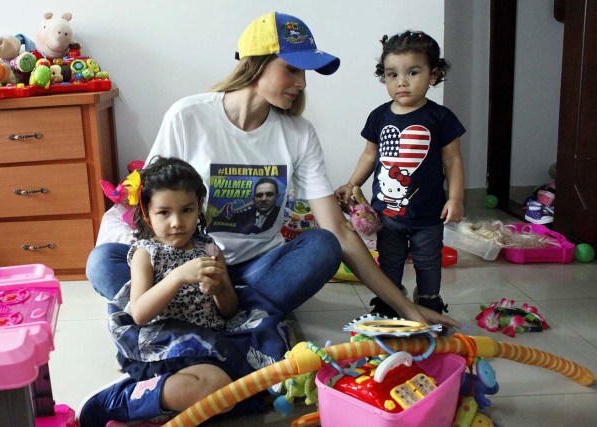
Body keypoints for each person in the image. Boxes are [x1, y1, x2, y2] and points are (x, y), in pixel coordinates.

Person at [84, 14, 460, 417]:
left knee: (322, 246)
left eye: (306, 72)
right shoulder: (189, 116)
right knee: (104, 261)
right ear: (256, 62)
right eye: (293, 69)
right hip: (186, 269)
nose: (301, 83)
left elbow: (339, 230)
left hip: (252, 273)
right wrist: (171, 272)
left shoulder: (298, 134)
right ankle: (231, 329)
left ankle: (207, 328)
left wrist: (406, 308)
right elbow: (152, 201)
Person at [80, 157, 289, 426]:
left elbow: (229, 310)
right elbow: (140, 313)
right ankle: (122, 399)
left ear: (199, 207)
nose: (177, 222)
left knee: (236, 387)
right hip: (164, 347)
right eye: (164, 213)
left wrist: (220, 287)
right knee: (221, 390)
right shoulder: (146, 253)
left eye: (187, 210)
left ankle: (160, 402)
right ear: (147, 212)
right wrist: (178, 277)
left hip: (209, 345)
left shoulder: (209, 248)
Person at [335, 30, 466, 316]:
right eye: (392, 74)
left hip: (428, 214)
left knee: (428, 260)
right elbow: (370, 155)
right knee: (390, 260)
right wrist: (352, 183)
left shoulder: (441, 118)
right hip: (387, 214)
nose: (402, 82)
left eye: (413, 72)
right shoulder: (380, 116)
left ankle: (430, 299)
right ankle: (390, 301)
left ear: (433, 75)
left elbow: (453, 160)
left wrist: (455, 198)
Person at [210, 177, 281, 234]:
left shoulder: (282, 217)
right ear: (254, 199)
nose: (263, 199)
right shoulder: (239, 216)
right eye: (259, 195)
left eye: (269, 194)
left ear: (277, 196)